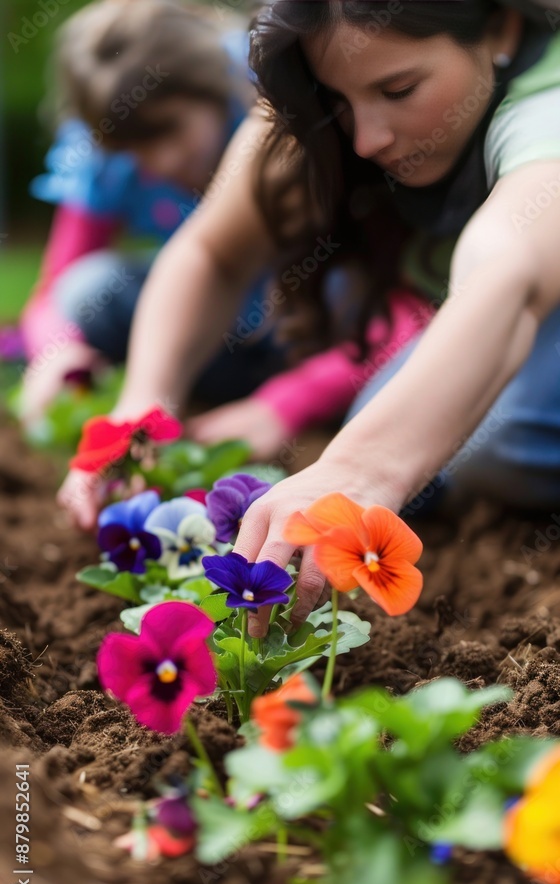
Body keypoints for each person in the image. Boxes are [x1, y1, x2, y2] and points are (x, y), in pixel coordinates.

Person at [60, 0, 560, 635]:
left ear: (500, 26)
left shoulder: (548, 109)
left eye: (399, 89)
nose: (366, 138)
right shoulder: (326, 94)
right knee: (399, 416)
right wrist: (140, 414)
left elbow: (508, 276)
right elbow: (211, 251)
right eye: (340, 101)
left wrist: (360, 469)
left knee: (488, 434)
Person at [19, 0, 257, 423]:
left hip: (293, 331)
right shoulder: (106, 155)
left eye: (169, 128)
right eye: (132, 147)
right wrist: (58, 351)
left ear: (212, 86)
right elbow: (53, 290)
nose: (160, 162)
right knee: (87, 289)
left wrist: (282, 407)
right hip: (205, 341)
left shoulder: (268, 110)